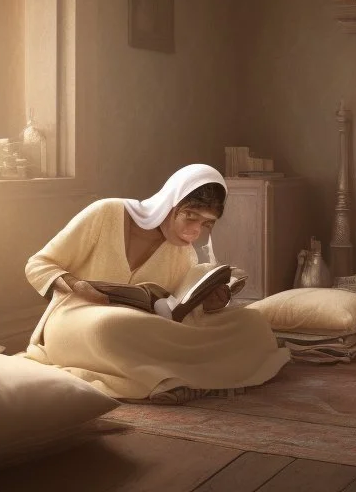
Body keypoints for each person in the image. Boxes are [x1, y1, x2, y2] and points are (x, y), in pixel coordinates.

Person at [22, 164, 290, 401]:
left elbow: (174, 311)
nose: (195, 231)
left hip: (141, 327)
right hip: (77, 319)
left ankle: (170, 377)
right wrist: (78, 286)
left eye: (207, 224)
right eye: (190, 217)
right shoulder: (107, 213)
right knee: (111, 326)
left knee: (251, 322)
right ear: (169, 204)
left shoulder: (184, 253)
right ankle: (186, 375)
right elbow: (38, 264)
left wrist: (209, 304)